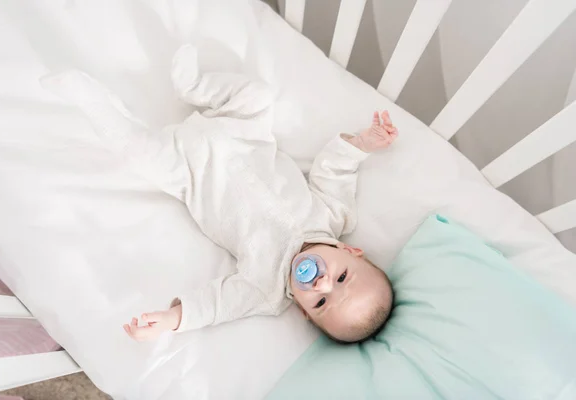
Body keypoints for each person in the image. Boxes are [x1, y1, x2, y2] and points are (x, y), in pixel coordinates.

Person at [42, 45, 396, 344]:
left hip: (189, 173)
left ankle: (86, 96)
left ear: (303, 311)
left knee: (137, 156)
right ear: (351, 251)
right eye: (342, 277)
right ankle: (194, 86)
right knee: (259, 95)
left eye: (320, 303)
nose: (320, 283)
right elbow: (334, 170)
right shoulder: (334, 215)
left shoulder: (265, 290)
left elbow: (218, 304)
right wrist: (362, 144)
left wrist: (172, 320)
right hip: (245, 133)